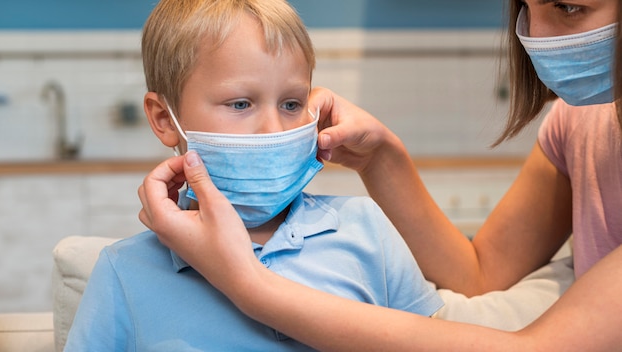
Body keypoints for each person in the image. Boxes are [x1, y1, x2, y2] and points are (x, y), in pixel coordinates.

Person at [138, 0, 622, 350]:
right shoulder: (576, 123)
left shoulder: (354, 237)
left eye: (569, 8)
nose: (537, 35)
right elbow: (481, 277)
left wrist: (247, 284)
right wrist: (380, 158)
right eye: (525, 7)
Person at [64, 0, 443, 350]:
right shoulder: (124, 271)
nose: (274, 129)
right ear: (165, 119)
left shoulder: (367, 230)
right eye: (241, 103)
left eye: (292, 103)